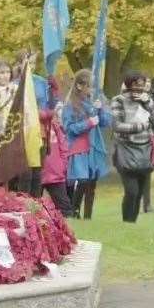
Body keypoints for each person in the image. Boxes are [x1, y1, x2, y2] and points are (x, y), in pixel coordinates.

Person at [110, 70, 154, 223]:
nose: (140, 87)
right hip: (126, 150)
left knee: (139, 191)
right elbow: (117, 125)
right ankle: (127, 220)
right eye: (136, 84)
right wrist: (139, 126)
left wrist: (148, 103)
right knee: (131, 191)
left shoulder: (146, 100)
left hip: (145, 149)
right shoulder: (118, 100)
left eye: (142, 84)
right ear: (129, 84)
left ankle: (132, 222)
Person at [59, 70, 112, 219]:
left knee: (91, 182)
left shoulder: (93, 101)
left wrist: (100, 109)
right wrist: (88, 123)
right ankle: (74, 210)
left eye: (93, 86)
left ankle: (88, 216)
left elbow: (106, 122)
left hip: (93, 145)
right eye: (89, 86)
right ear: (79, 86)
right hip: (78, 147)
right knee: (82, 179)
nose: (91, 90)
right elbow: (69, 128)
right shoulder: (71, 105)